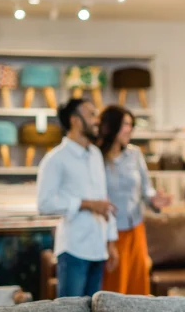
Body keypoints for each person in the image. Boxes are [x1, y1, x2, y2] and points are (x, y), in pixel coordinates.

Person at [37, 98, 119, 298]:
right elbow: (44, 204)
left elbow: (103, 200)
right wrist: (87, 204)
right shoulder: (56, 159)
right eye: (91, 114)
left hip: (98, 248)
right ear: (75, 120)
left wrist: (111, 242)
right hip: (74, 249)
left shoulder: (96, 155)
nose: (96, 120)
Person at [97, 105, 171, 295]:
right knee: (114, 289)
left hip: (136, 228)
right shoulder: (96, 158)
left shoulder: (135, 154)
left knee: (138, 287)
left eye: (131, 125)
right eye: (125, 124)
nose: (130, 129)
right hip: (110, 233)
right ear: (110, 126)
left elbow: (146, 190)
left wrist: (156, 200)